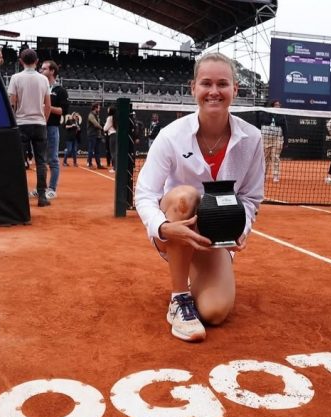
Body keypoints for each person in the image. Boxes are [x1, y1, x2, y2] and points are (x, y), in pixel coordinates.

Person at [134, 52, 265, 343]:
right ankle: (179, 298)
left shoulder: (253, 139)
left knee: (215, 313)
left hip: (214, 237)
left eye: (223, 83)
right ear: (193, 88)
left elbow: (250, 197)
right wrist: (163, 228)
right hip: (175, 228)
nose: (214, 91)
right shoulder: (171, 136)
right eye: (206, 83)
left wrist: (240, 231)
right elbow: (145, 194)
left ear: (235, 90)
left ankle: (200, 275)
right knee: (186, 195)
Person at [7, 48, 51, 207]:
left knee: (18, 161)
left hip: (21, 124)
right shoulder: (44, 80)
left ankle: (17, 196)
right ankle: (42, 197)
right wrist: (43, 121)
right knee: (41, 162)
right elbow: (48, 105)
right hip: (39, 124)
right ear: (37, 61)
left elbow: (12, 102)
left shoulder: (15, 78)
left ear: (21, 61)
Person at [40, 59, 69, 200]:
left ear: (52, 71)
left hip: (52, 128)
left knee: (52, 159)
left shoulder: (60, 90)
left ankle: (52, 189)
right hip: (39, 126)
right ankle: (41, 188)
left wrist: (47, 107)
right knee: (41, 160)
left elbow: (63, 111)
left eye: (44, 68)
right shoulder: (40, 87)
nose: (41, 70)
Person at [259, 99, 288, 183]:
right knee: (265, 158)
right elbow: (259, 124)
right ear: (272, 106)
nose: (278, 106)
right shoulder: (265, 113)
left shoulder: (282, 116)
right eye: (276, 105)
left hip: (277, 139)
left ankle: (276, 176)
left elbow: (285, 129)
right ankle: (263, 176)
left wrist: (286, 141)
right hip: (265, 139)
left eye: (279, 105)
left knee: (275, 157)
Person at [86, 102, 105, 168]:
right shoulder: (91, 115)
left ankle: (98, 164)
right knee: (91, 150)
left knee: (97, 151)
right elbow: (96, 124)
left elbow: (98, 124)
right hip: (92, 135)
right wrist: (102, 128)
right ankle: (89, 163)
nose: (99, 109)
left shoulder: (97, 115)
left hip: (97, 135)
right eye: (99, 107)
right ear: (95, 108)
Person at [103, 105, 118, 173]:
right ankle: (116, 167)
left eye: (108, 109)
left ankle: (115, 168)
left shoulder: (110, 118)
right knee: (116, 152)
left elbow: (105, 128)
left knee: (113, 152)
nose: (107, 110)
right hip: (117, 135)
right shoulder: (117, 117)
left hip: (112, 136)